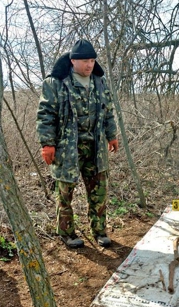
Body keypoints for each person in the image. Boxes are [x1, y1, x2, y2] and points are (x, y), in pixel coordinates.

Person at [36, 39, 119, 248]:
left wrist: (112, 135)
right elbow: (46, 114)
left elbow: (108, 111)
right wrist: (47, 143)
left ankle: (99, 231)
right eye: (85, 61)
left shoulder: (99, 81)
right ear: (73, 61)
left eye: (92, 61)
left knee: (99, 192)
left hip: (96, 147)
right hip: (67, 149)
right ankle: (67, 233)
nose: (89, 65)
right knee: (64, 194)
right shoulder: (56, 82)